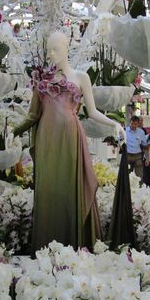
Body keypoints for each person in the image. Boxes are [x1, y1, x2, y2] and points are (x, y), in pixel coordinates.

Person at [14, 31, 125, 253]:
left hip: (72, 139)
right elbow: (33, 115)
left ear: (67, 48)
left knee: (69, 189)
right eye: (49, 50)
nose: (51, 54)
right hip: (47, 140)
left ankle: (73, 244)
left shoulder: (81, 77)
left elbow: (92, 112)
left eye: (56, 48)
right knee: (48, 189)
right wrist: (14, 131)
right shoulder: (41, 81)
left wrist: (114, 123)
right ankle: (48, 244)